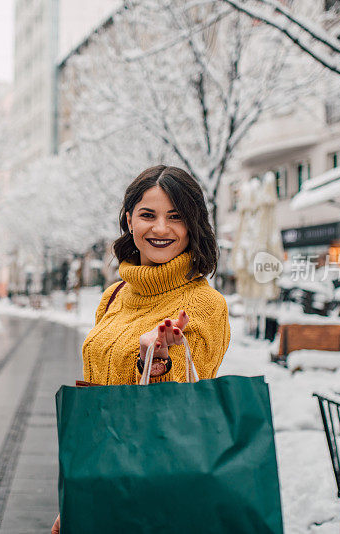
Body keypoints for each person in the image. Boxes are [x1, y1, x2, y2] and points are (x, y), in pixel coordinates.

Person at [51, 165, 231, 534]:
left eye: (176, 217)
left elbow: (180, 410)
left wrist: (158, 363)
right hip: (98, 475)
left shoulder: (204, 304)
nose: (160, 229)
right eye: (148, 215)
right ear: (129, 220)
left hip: (158, 490)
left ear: (193, 225)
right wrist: (78, 487)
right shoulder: (113, 296)